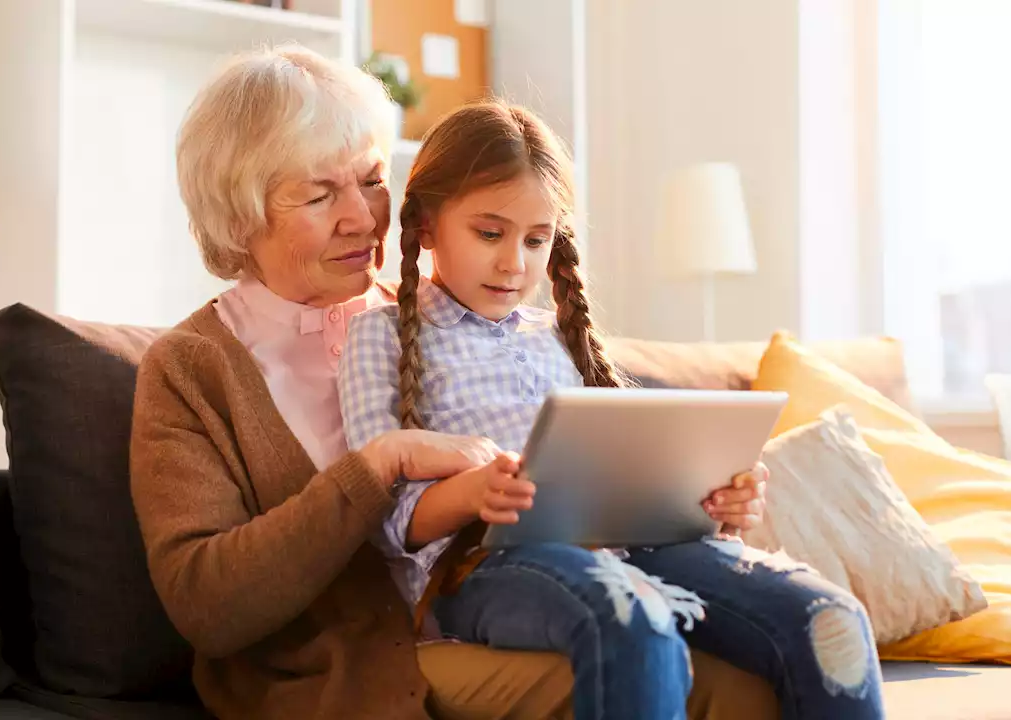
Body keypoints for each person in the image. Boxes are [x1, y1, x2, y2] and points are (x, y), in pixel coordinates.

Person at [129, 44, 779, 720]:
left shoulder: (444, 313)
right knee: (712, 690)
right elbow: (206, 606)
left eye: (373, 180)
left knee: (758, 674)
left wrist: (694, 495)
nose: (363, 217)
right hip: (363, 667)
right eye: (321, 194)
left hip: (510, 599)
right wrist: (377, 464)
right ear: (239, 216)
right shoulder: (190, 369)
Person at [338, 100, 887, 720]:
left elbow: (637, 478)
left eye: (535, 239)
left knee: (830, 619)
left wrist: (716, 503)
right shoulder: (378, 336)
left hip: (634, 548)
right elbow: (379, 520)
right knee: (633, 620)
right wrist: (473, 493)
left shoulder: (562, 336)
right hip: (485, 567)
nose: (514, 263)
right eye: (489, 233)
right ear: (428, 222)